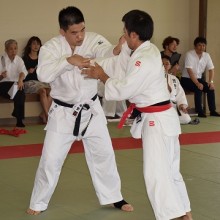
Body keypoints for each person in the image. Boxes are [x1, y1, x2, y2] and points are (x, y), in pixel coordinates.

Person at [82, 10, 192, 220]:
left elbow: (124, 89)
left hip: (157, 122)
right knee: (170, 173)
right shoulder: (146, 51)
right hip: (163, 118)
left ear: (133, 34)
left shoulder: (143, 59)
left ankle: (174, 217)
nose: (122, 35)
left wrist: (101, 75)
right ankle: (186, 214)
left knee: (156, 175)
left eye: (124, 31)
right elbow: (119, 67)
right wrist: (95, 66)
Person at [26, 6, 133, 215]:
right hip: (63, 113)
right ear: (62, 31)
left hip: (91, 110)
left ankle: (114, 197)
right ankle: (38, 202)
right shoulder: (51, 48)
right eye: (74, 32)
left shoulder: (92, 39)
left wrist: (117, 48)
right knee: (50, 159)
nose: (80, 36)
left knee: (104, 154)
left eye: (82, 30)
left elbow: (106, 50)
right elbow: (43, 74)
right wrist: (67, 61)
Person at [181, 36, 220, 118]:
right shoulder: (189, 54)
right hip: (186, 79)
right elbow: (189, 71)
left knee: (210, 88)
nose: (202, 47)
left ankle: (212, 111)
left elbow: (211, 69)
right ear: (195, 46)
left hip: (198, 79)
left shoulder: (207, 55)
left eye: (203, 45)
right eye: (199, 45)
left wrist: (211, 82)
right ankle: (199, 111)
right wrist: (197, 83)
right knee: (198, 88)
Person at [162, 55, 199, 125]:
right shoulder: (154, 78)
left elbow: (180, 94)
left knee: (186, 119)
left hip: (172, 106)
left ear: (170, 66)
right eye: (162, 64)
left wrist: (181, 105)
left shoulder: (174, 79)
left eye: (166, 64)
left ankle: (168, 121)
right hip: (161, 106)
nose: (164, 66)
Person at [22, 36, 52, 123]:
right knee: (42, 91)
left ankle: (43, 113)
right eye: (34, 43)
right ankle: (47, 116)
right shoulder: (24, 59)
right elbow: (21, 75)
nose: (36, 46)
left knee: (53, 91)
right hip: (29, 83)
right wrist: (28, 71)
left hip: (41, 82)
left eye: (38, 44)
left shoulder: (42, 59)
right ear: (30, 46)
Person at [0, 39, 28, 127]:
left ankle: (19, 119)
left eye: (15, 48)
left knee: (20, 91)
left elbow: (23, 72)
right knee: (19, 92)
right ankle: (18, 118)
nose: (13, 51)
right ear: (6, 50)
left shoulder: (19, 60)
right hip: (2, 86)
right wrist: (1, 76)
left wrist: (20, 80)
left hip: (15, 86)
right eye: (11, 49)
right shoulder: (1, 60)